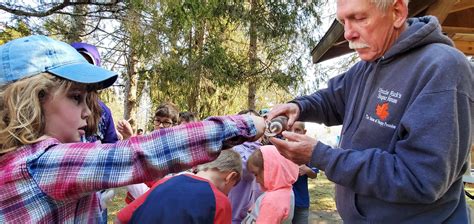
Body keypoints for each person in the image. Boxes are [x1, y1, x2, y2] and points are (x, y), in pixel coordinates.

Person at [0, 35, 265, 222]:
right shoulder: (42, 165)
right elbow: (140, 154)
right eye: (75, 97)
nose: (88, 111)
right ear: (31, 100)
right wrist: (248, 124)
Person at [266, 0, 473, 223]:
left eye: (359, 18)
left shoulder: (442, 68)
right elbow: (332, 98)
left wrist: (320, 156)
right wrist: (300, 106)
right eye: (342, 21)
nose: (347, 34)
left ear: (397, 12)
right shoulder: (370, 64)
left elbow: (420, 178)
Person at [116, 149, 243, 223]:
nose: (228, 192)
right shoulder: (220, 202)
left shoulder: (166, 181)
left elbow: (121, 218)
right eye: (233, 186)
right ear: (231, 177)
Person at [71, 41, 119, 223]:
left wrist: (108, 186)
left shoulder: (103, 112)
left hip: (95, 195)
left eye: (88, 66)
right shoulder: (55, 107)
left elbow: (112, 147)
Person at [243, 145, 299, 224]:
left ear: (271, 170)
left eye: (256, 174)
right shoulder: (285, 191)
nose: (257, 181)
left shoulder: (272, 201)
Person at [228, 109, 263, 224]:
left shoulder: (263, 150)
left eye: (254, 123)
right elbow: (247, 170)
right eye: (246, 123)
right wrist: (252, 142)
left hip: (256, 214)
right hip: (234, 214)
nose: (251, 127)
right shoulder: (232, 149)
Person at [288, 122, 318, 224]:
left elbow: (314, 175)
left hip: (301, 201)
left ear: (304, 132)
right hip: (284, 202)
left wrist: (307, 170)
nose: (293, 133)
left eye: (297, 130)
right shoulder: (279, 149)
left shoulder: (309, 151)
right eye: (290, 130)